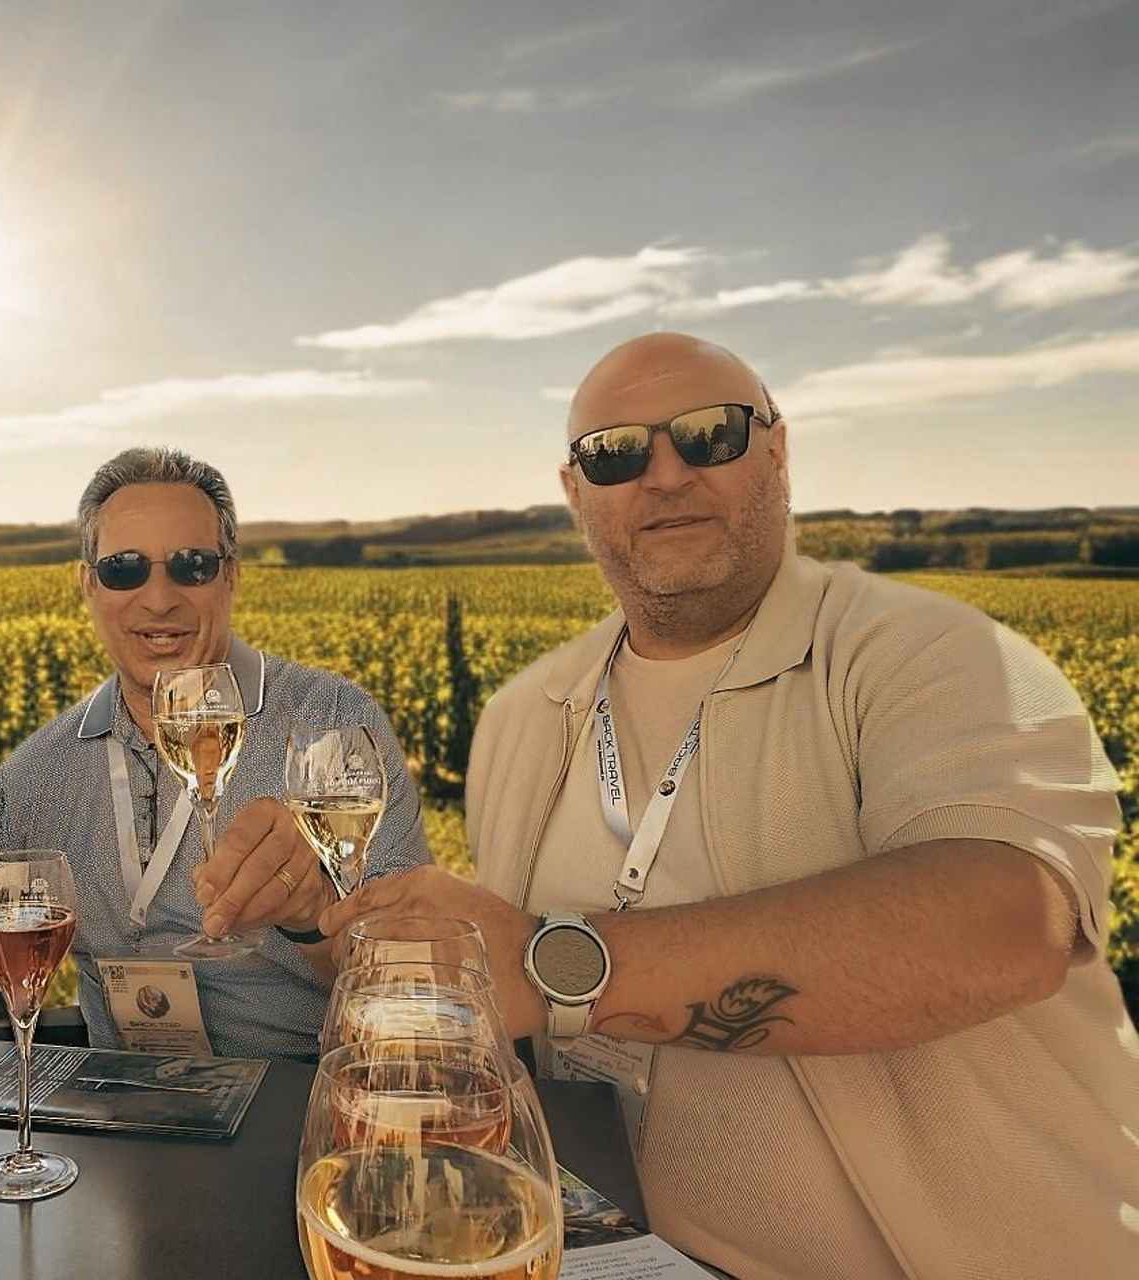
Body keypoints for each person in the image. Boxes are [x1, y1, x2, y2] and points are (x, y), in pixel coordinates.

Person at [322, 333, 1139, 1276]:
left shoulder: (933, 657)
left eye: (711, 435)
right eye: (616, 454)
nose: (666, 475)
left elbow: (1007, 923)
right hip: (604, 1251)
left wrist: (555, 968)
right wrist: (326, 922)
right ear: (575, 491)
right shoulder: (522, 718)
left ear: (778, 451)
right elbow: (500, 1004)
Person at [0, 446, 431, 1058]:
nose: (159, 599)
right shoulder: (41, 770)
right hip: (119, 1097)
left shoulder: (332, 725)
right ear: (88, 585)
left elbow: (412, 974)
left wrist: (312, 916)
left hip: (298, 1089)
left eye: (192, 566)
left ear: (231, 577)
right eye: (124, 570)